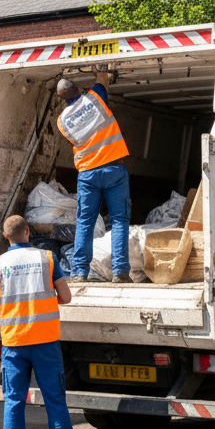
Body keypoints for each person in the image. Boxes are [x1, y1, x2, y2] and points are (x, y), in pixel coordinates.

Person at [0, 215, 84, 429]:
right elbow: (66, 297)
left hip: (15, 343)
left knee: (14, 403)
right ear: (27, 231)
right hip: (45, 342)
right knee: (55, 402)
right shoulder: (47, 258)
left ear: (6, 236)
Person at [57, 71, 131, 285]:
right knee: (119, 220)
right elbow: (103, 79)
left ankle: (79, 272)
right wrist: (100, 70)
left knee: (85, 222)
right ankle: (120, 272)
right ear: (78, 90)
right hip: (113, 169)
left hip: (88, 173)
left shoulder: (62, 121)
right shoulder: (94, 98)